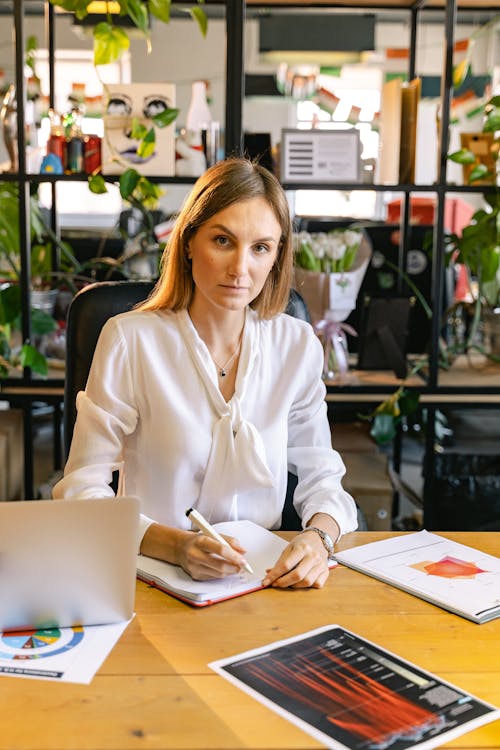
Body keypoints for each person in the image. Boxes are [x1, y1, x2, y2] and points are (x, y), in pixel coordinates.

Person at [53, 157, 358, 589]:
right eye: (222, 240)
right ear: (189, 242)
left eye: (260, 248)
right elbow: (81, 490)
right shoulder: (130, 340)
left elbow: (323, 477)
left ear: (276, 256)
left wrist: (317, 538)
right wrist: (175, 546)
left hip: (264, 581)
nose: (240, 269)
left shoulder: (296, 345)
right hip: (150, 577)